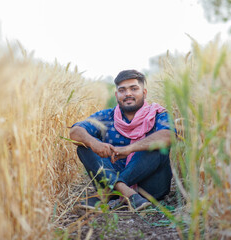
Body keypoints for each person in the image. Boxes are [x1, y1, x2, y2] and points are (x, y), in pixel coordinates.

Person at [70, 69, 174, 211]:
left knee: (157, 144)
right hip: (109, 178)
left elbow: (168, 137)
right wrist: (95, 143)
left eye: (134, 89)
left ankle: (105, 195)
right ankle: (128, 193)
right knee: (84, 145)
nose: (128, 94)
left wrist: (130, 149)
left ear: (144, 93)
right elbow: (75, 131)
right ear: (117, 95)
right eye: (122, 90)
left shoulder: (158, 114)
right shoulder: (106, 116)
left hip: (150, 189)